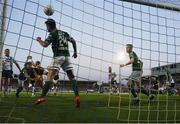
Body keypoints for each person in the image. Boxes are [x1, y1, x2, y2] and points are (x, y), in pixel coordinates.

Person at [34, 18, 80, 108]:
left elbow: (45, 45)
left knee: (49, 76)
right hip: (67, 57)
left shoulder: (53, 33)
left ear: (50, 26)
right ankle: (77, 96)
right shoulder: (64, 33)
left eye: (47, 26)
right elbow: (73, 41)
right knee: (72, 77)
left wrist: (39, 40)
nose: (47, 28)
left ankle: (42, 97)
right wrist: (75, 52)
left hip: (58, 56)